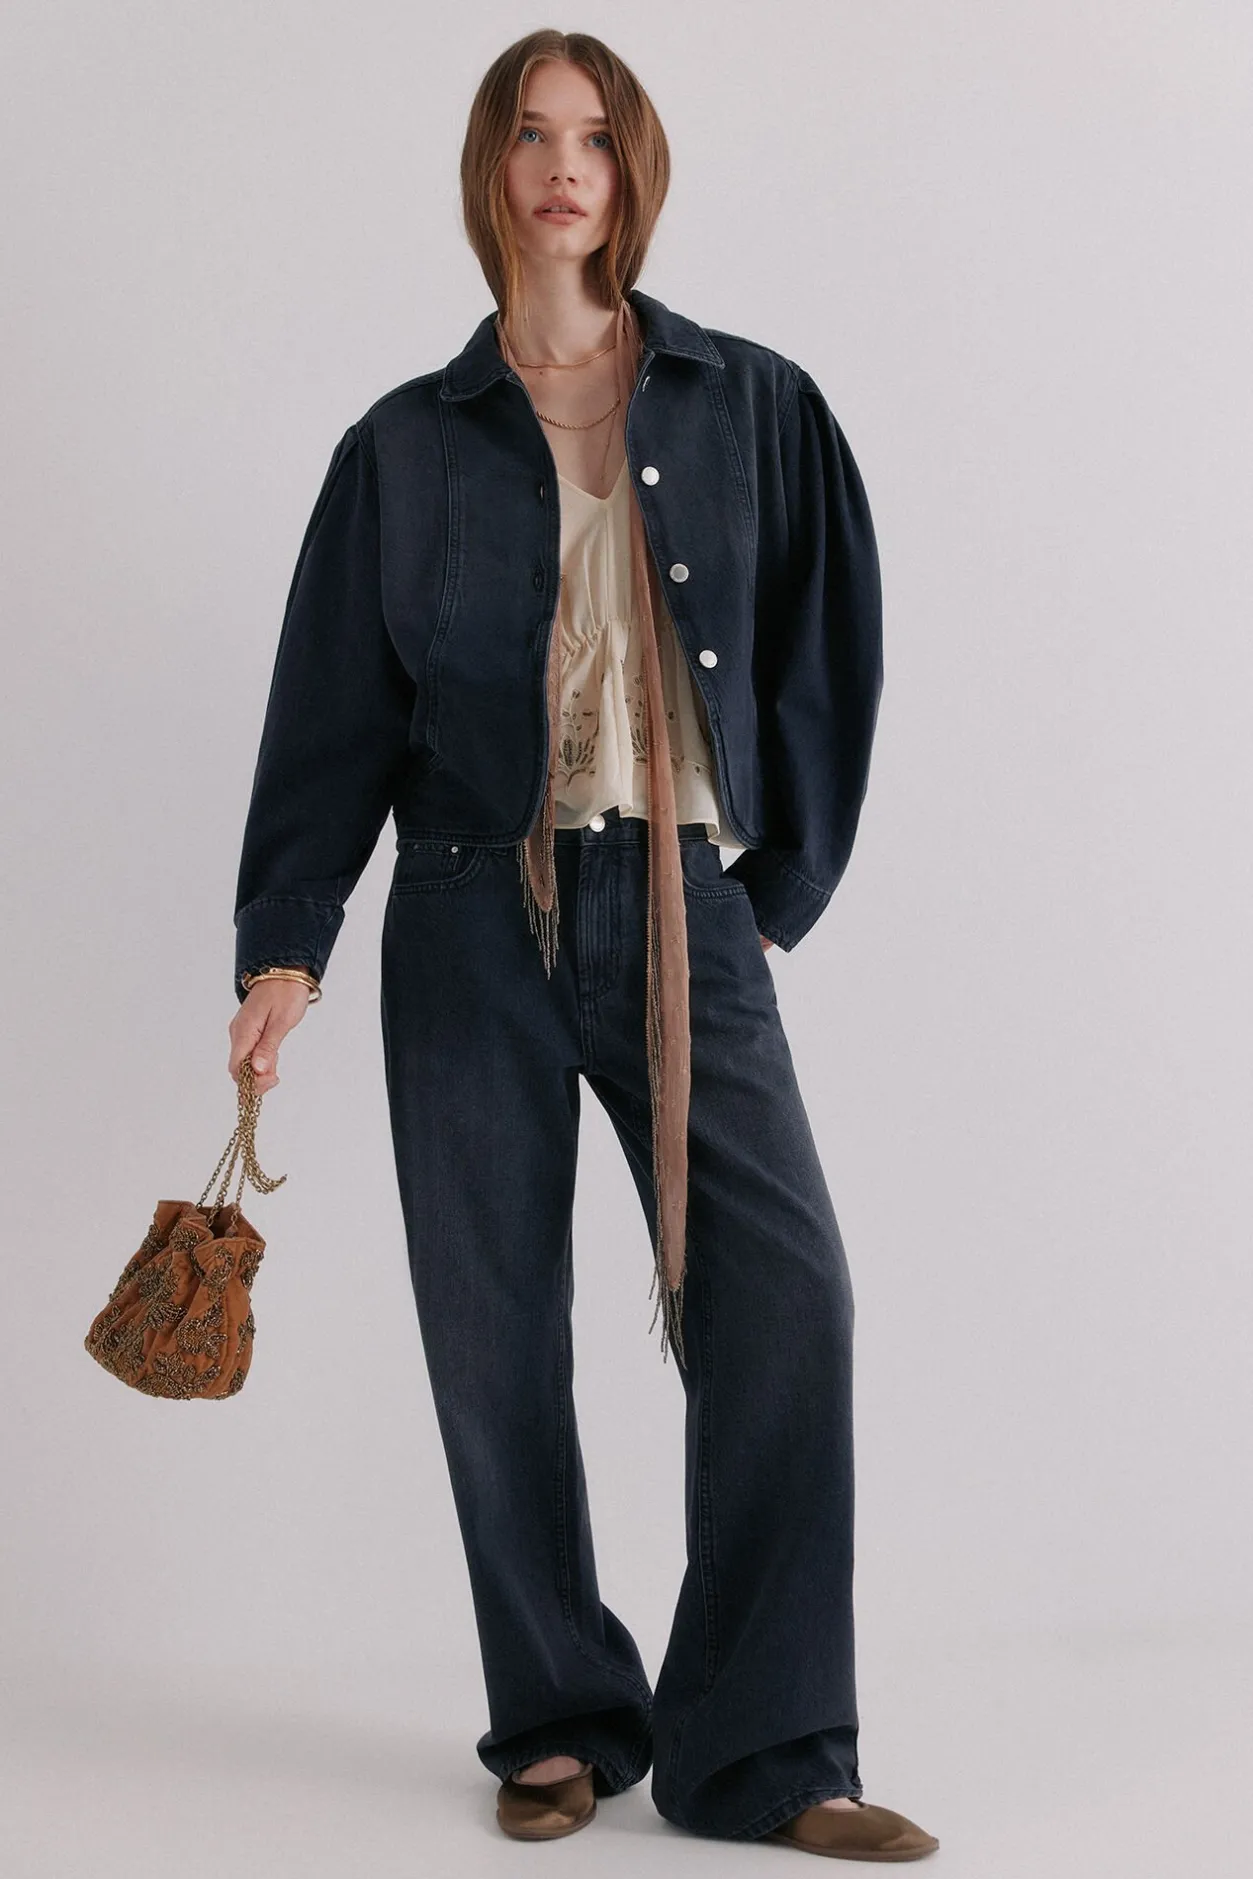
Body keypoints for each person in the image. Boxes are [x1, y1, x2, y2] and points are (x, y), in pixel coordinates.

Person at [226, 28, 938, 1862]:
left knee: (788, 1300)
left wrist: (773, 888)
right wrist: (285, 946)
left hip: (686, 908)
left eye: (597, 137)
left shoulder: (747, 401)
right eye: (535, 135)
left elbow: (834, 646)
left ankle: (770, 1748)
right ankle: (556, 1718)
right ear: (493, 167)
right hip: (471, 910)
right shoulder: (403, 445)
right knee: (494, 1334)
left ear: (634, 171)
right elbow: (331, 712)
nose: (566, 167)